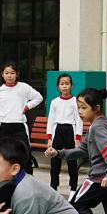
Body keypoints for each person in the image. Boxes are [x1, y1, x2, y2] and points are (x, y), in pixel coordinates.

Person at [0, 62, 43, 174]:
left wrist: (27, 106)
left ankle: (27, 178)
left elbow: (38, 97)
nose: (9, 76)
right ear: (2, 74)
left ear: (17, 74)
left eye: (12, 73)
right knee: (2, 155)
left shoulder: (24, 87)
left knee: (25, 153)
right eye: (6, 73)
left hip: (19, 125)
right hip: (3, 125)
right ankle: (3, 178)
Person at [47, 73, 83, 201]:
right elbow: (51, 120)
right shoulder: (54, 102)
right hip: (58, 130)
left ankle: (73, 189)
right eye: (62, 84)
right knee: (55, 161)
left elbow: (79, 119)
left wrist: (78, 138)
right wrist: (49, 138)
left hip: (70, 131)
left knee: (72, 161)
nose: (65, 86)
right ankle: (53, 187)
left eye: (67, 84)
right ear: (58, 86)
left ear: (71, 85)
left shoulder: (76, 101)